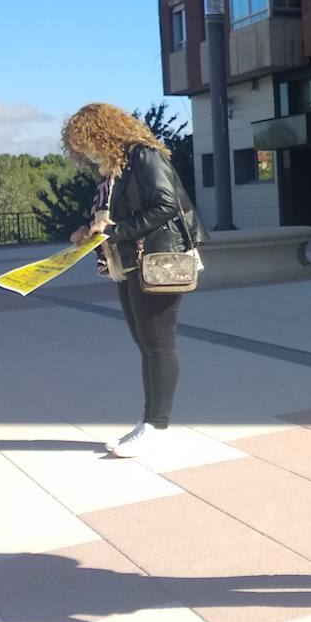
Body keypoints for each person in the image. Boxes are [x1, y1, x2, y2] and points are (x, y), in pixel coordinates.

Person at [62, 103, 205, 459]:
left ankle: (156, 425)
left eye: (83, 143)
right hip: (130, 262)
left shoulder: (143, 155)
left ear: (101, 133)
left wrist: (115, 231)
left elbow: (166, 205)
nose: (83, 153)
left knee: (158, 343)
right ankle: (150, 422)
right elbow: (112, 216)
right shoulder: (116, 169)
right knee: (146, 343)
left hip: (159, 260)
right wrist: (90, 231)